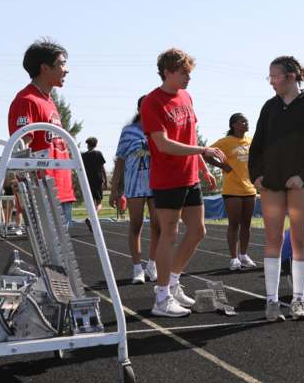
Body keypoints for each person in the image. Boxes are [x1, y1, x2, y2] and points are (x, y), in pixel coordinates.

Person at [141, 48, 225, 317]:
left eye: (189, 72)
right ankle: (162, 298)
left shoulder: (186, 96)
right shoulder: (152, 102)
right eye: (183, 73)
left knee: (198, 230)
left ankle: (174, 283)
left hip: (189, 176)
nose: (189, 78)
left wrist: (202, 166)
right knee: (170, 233)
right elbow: (163, 144)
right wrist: (202, 152)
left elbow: (190, 136)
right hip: (167, 178)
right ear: (167, 72)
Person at [249, 55, 304, 321]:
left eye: (275, 76)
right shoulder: (269, 107)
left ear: (291, 77)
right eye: (270, 77)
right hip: (271, 184)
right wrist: (256, 175)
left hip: (300, 185)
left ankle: (298, 300)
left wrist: (302, 176)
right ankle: (271, 302)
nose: (271, 81)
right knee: (272, 239)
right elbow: (257, 146)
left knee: (298, 241)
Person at [7, 38, 76, 229]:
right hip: (43, 193)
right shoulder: (27, 100)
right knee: (49, 257)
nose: (66, 69)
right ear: (45, 68)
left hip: (61, 190)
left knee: (63, 257)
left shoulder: (48, 100)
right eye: (62, 64)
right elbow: (21, 146)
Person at [110, 96, 161, 285]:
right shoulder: (128, 131)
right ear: (139, 109)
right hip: (134, 184)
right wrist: (116, 189)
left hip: (157, 184)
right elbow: (120, 160)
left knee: (158, 225)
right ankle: (137, 268)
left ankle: (152, 265)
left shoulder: (160, 129)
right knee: (136, 224)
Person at [205, 113, 258, 271]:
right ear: (234, 125)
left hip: (249, 188)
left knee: (247, 224)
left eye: (247, 121)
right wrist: (221, 166)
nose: (246, 123)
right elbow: (206, 152)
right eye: (243, 121)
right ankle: (234, 258)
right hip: (232, 189)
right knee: (234, 224)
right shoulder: (226, 142)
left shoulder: (250, 141)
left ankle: (244, 255)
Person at [81, 136, 108, 230]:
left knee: (91, 203)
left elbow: (82, 169)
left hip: (88, 180)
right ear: (96, 144)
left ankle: (92, 220)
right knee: (99, 203)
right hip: (97, 179)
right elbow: (102, 168)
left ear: (88, 144)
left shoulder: (83, 155)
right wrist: (105, 180)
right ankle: (91, 218)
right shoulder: (98, 153)